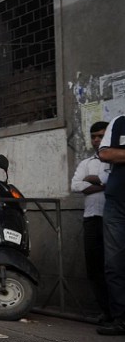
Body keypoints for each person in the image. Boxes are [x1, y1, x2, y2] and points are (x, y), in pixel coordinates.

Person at [71, 121, 111, 323]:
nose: (97, 140)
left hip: (112, 220)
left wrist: (97, 181)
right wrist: (103, 185)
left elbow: (113, 182)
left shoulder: (115, 162)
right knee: (94, 267)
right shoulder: (86, 163)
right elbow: (77, 185)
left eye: (101, 136)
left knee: (113, 266)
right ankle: (106, 310)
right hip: (91, 219)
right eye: (94, 136)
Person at [97, 113, 125, 335]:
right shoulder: (119, 121)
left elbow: (115, 155)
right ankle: (121, 319)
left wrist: (121, 155)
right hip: (117, 203)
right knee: (114, 263)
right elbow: (105, 153)